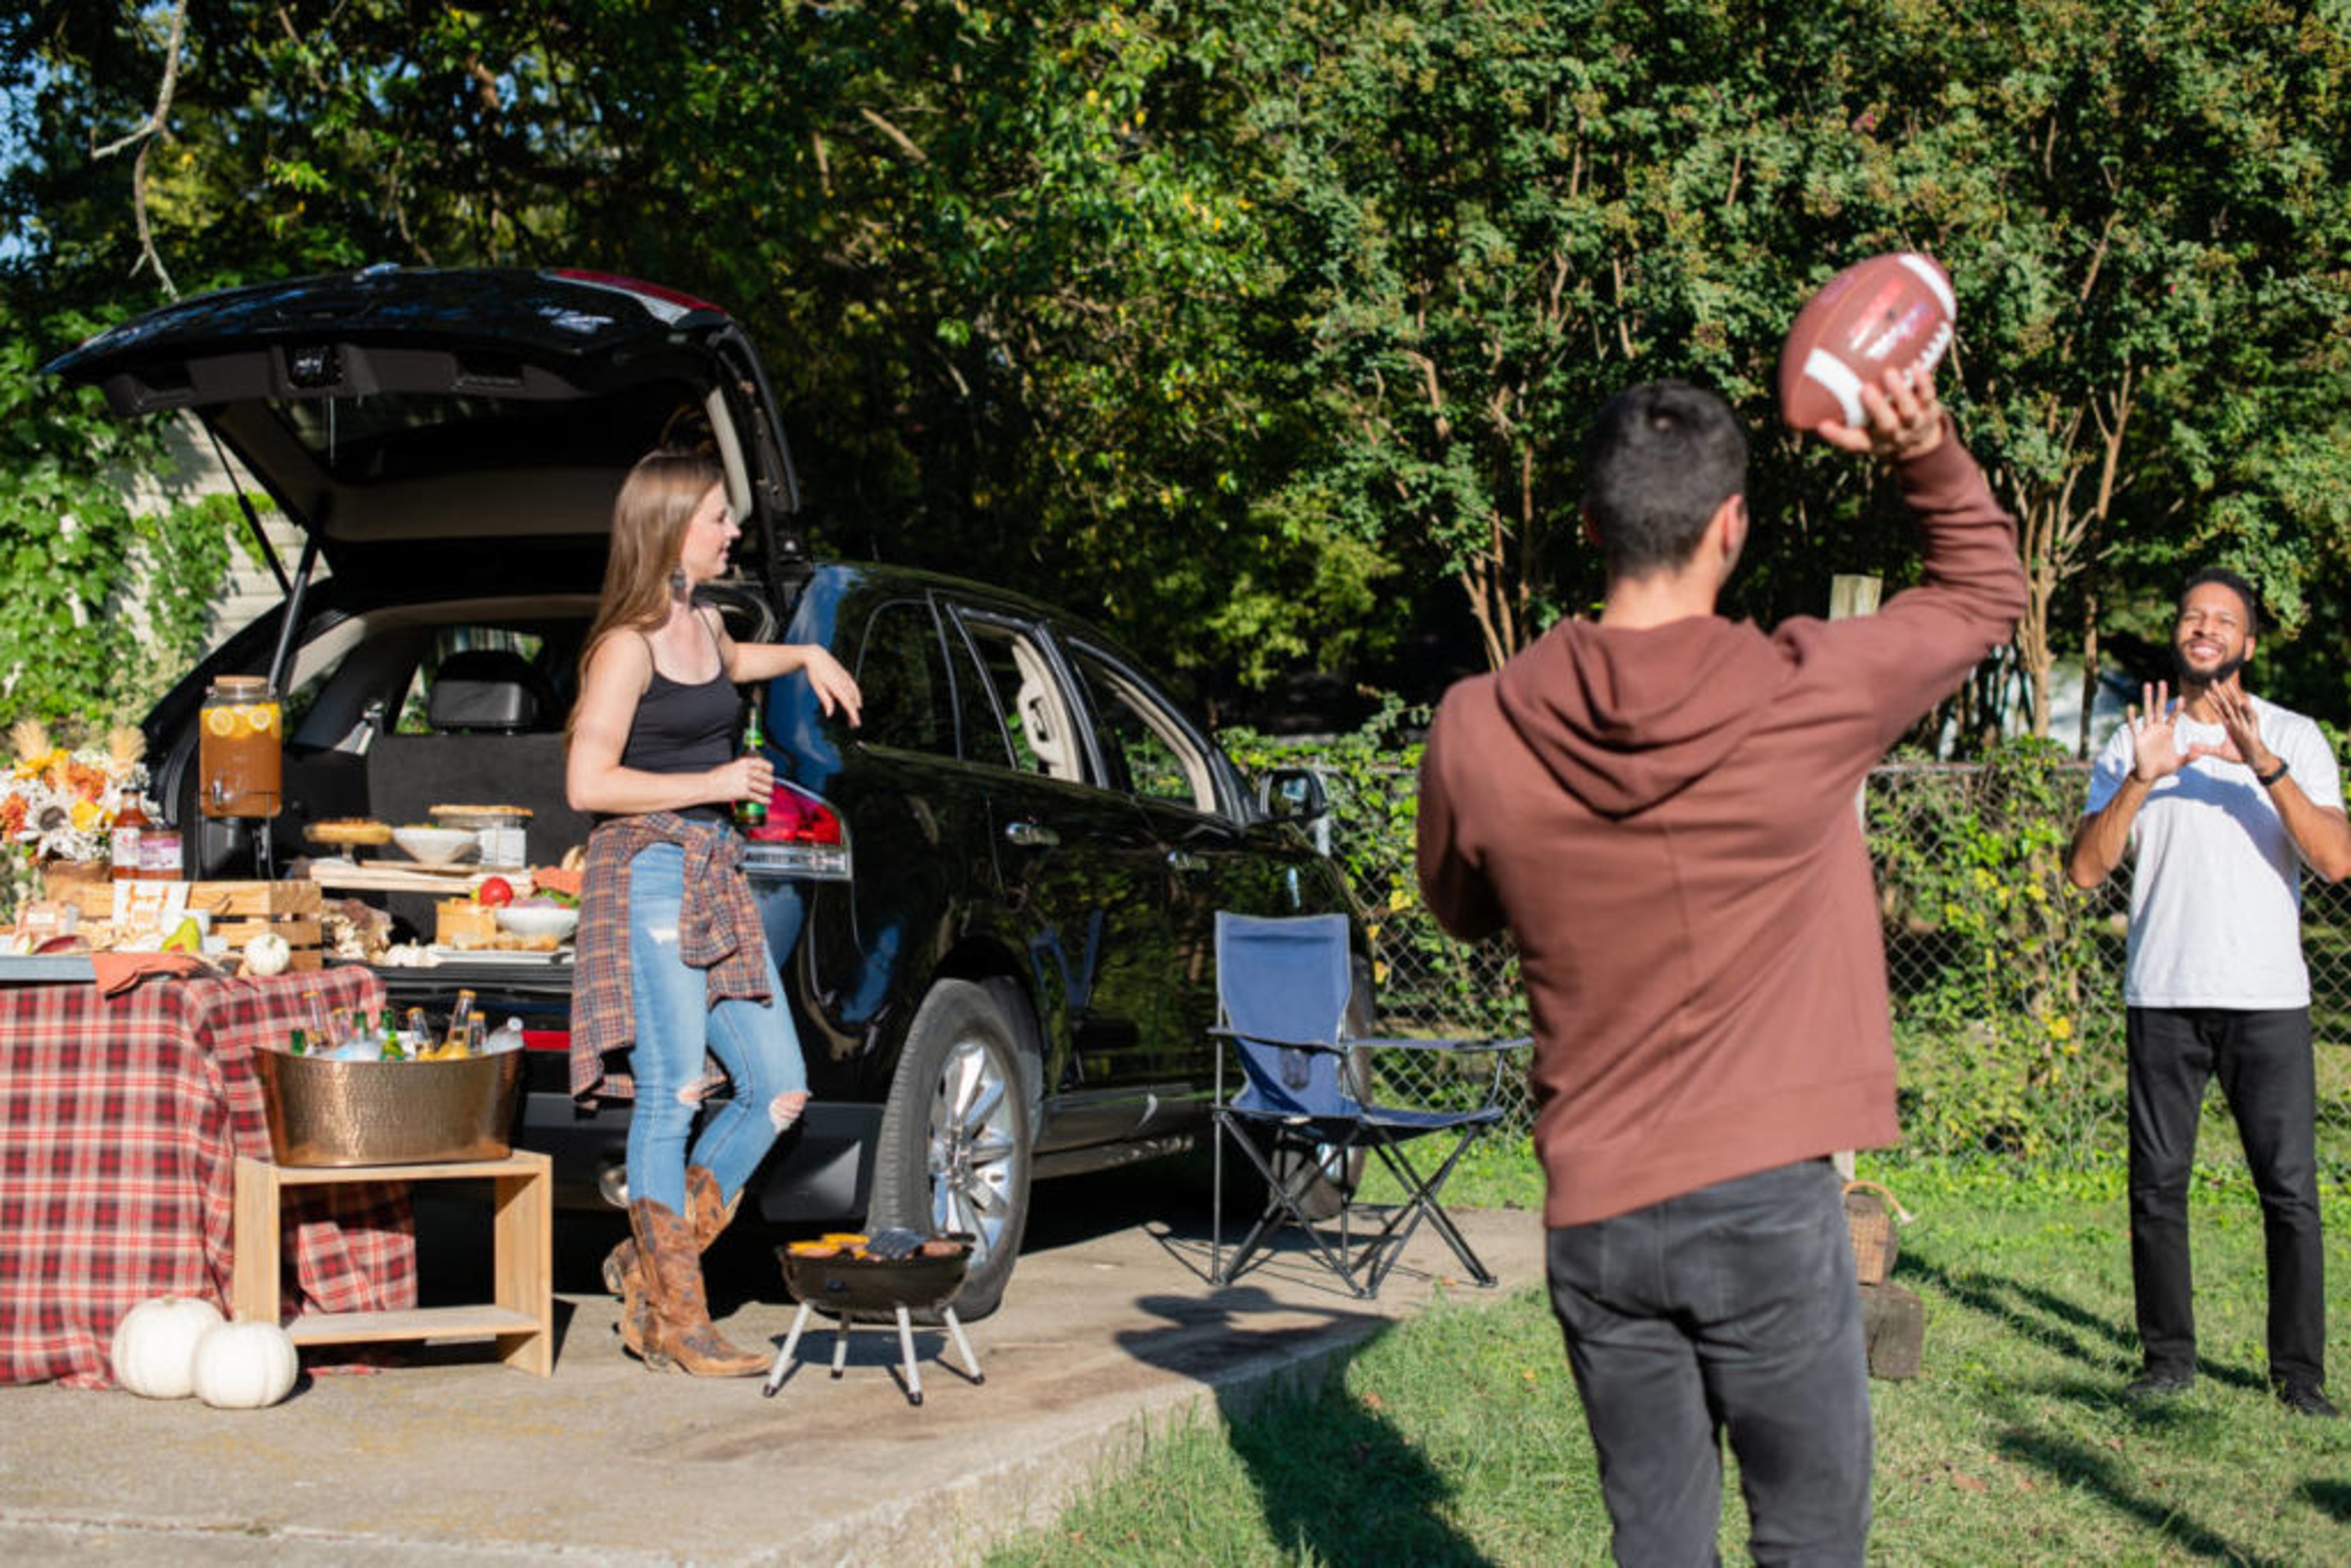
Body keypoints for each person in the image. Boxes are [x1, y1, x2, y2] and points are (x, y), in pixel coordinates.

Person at [1417, 371, 2023, 1562]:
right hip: (1762, 1204)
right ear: (1733, 526)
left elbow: (1460, 909)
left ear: (1589, 524)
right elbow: (1984, 590)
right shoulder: (1807, 692)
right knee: (1807, 1541)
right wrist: (1925, 447)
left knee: (1657, 1542)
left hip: (1597, 1216)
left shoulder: (1475, 726)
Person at [564, 446, 862, 1376]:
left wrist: (809, 650)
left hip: (712, 875)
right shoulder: (626, 644)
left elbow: (739, 659)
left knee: (777, 1085)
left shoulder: (700, 621)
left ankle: (652, 1263)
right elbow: (585, 780)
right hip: (649, 869)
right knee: (676, 1092)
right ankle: (680, 1322)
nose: (733, 530)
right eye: (718, 517)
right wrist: (715, 778)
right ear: (669, 529)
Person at [2064, 568, 2347, 1419]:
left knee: (2290, 1191)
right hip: (2163, 992)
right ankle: (2168, 1361)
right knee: (2157, 1187)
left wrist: (2266, 764)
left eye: (2224, 619)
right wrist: (2143, 776)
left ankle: (2300, 1376)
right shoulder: (2135, 737)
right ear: (2179, 635)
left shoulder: (2296, 734)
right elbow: (2083, 870)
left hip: (2268, 998)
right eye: (2193, 614)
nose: (2206, 626)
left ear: (2248, 644)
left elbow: (2336, 860)